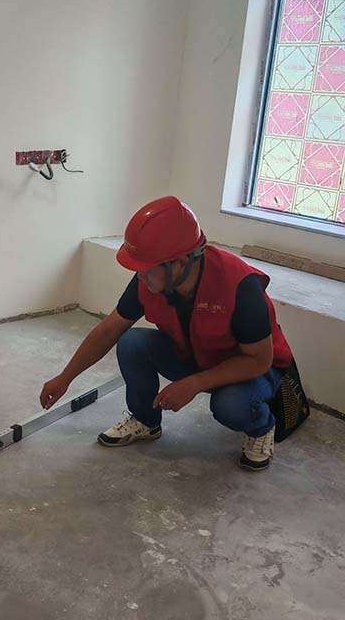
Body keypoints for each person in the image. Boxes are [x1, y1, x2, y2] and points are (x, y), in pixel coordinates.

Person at [40, 196, 296, 472]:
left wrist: (194, 383)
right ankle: (146, 420)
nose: (140, 277)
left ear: (180, 262)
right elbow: (108, 331)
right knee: (132, 343)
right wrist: (65, 378)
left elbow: (259, 360)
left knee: (231, 406)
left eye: (146, 269)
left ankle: (261, 428)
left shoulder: (239, 286)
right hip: (198, 355)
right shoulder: (150, 278)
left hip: (254, 370)